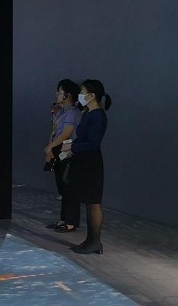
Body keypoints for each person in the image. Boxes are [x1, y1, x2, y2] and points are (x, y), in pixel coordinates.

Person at [62, 79, 111, 255]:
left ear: (92, 95)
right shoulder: (88, 113)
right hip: (83, 161)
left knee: (93, 202)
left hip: (91, 163)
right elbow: (82, 138)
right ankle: (90, 240)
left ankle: (95, 241)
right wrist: (71, 147)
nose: (80, 95)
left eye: (83, 92)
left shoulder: (98, 116)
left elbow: (93, 143)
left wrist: (73, 147)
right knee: (89, 202)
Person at [44, 79, 82, 232]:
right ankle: (63, 219)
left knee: (69, 186)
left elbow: (67, 133)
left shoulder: (73, 113)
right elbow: (55, 131)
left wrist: (51, 146)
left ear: (68, 95)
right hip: (59, 149)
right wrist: (51, 148)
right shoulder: (61, 111)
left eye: (59, 92)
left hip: (68, 149)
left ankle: (71, 221)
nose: (57, 95)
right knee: (63, 187)